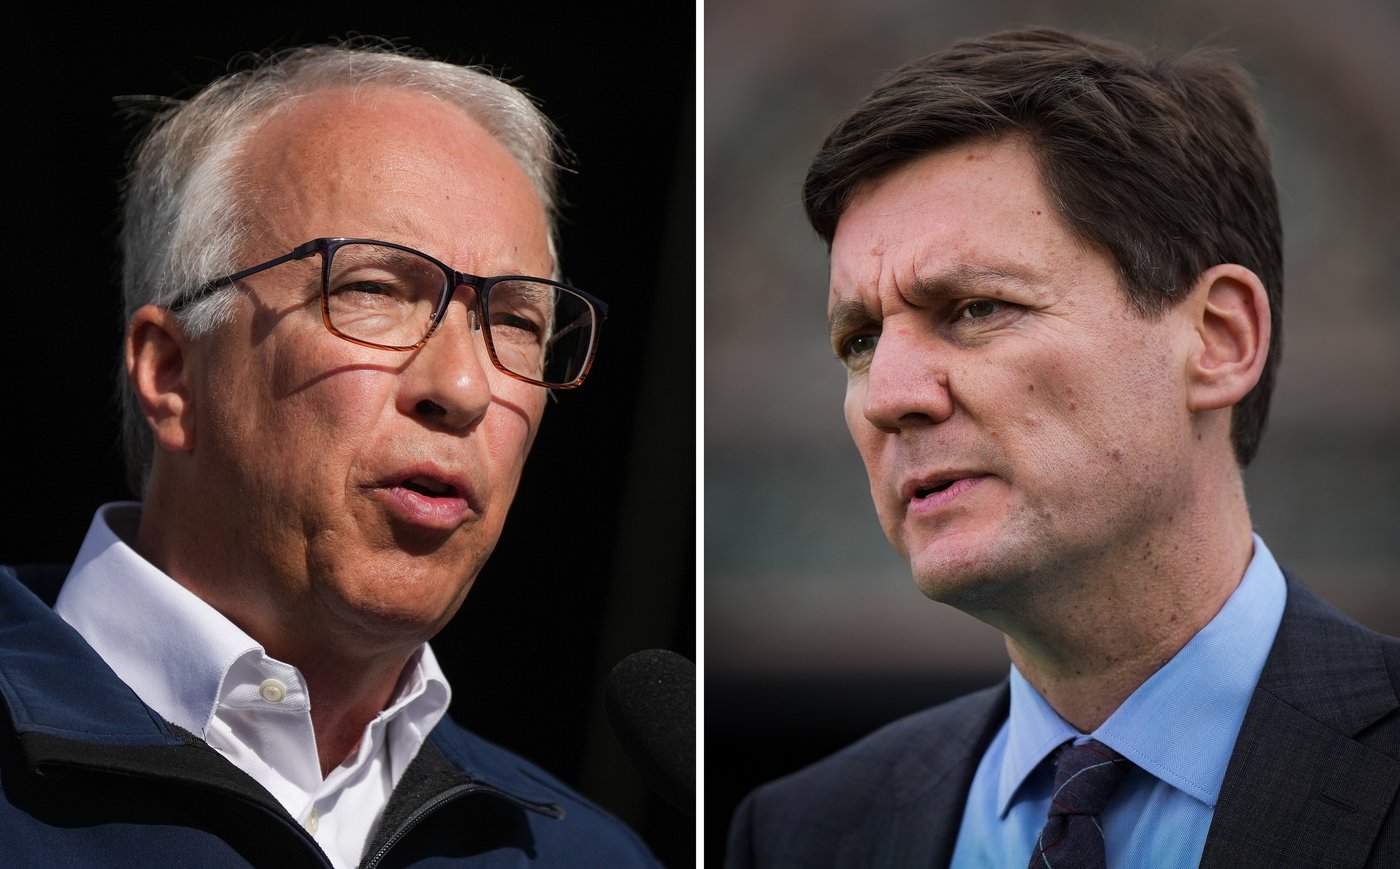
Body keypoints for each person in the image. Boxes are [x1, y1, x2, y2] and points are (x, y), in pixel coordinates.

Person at [726, 27, 1400, 868]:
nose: (891, 396)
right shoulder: (797, 835)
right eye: (860, 340)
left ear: (1219, 339)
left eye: (975, 308)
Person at [0, 44, 658, 868]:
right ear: (171, 374)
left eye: (518, 321)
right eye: (373, 290)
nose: (462, 385)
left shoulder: (580, 856)